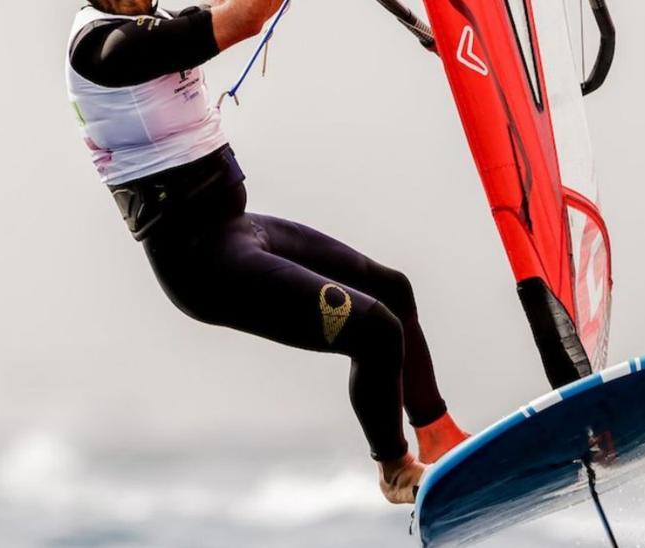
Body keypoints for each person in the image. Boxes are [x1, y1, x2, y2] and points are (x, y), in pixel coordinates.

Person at [64, 0, 468, 504]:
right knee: (375, 332)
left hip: (235, 230)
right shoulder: (106, 49)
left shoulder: (161, 21)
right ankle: (396, 471)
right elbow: (245, 18)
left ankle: (441, 437)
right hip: (199, 263)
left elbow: (230, 7)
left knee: (391, 289)